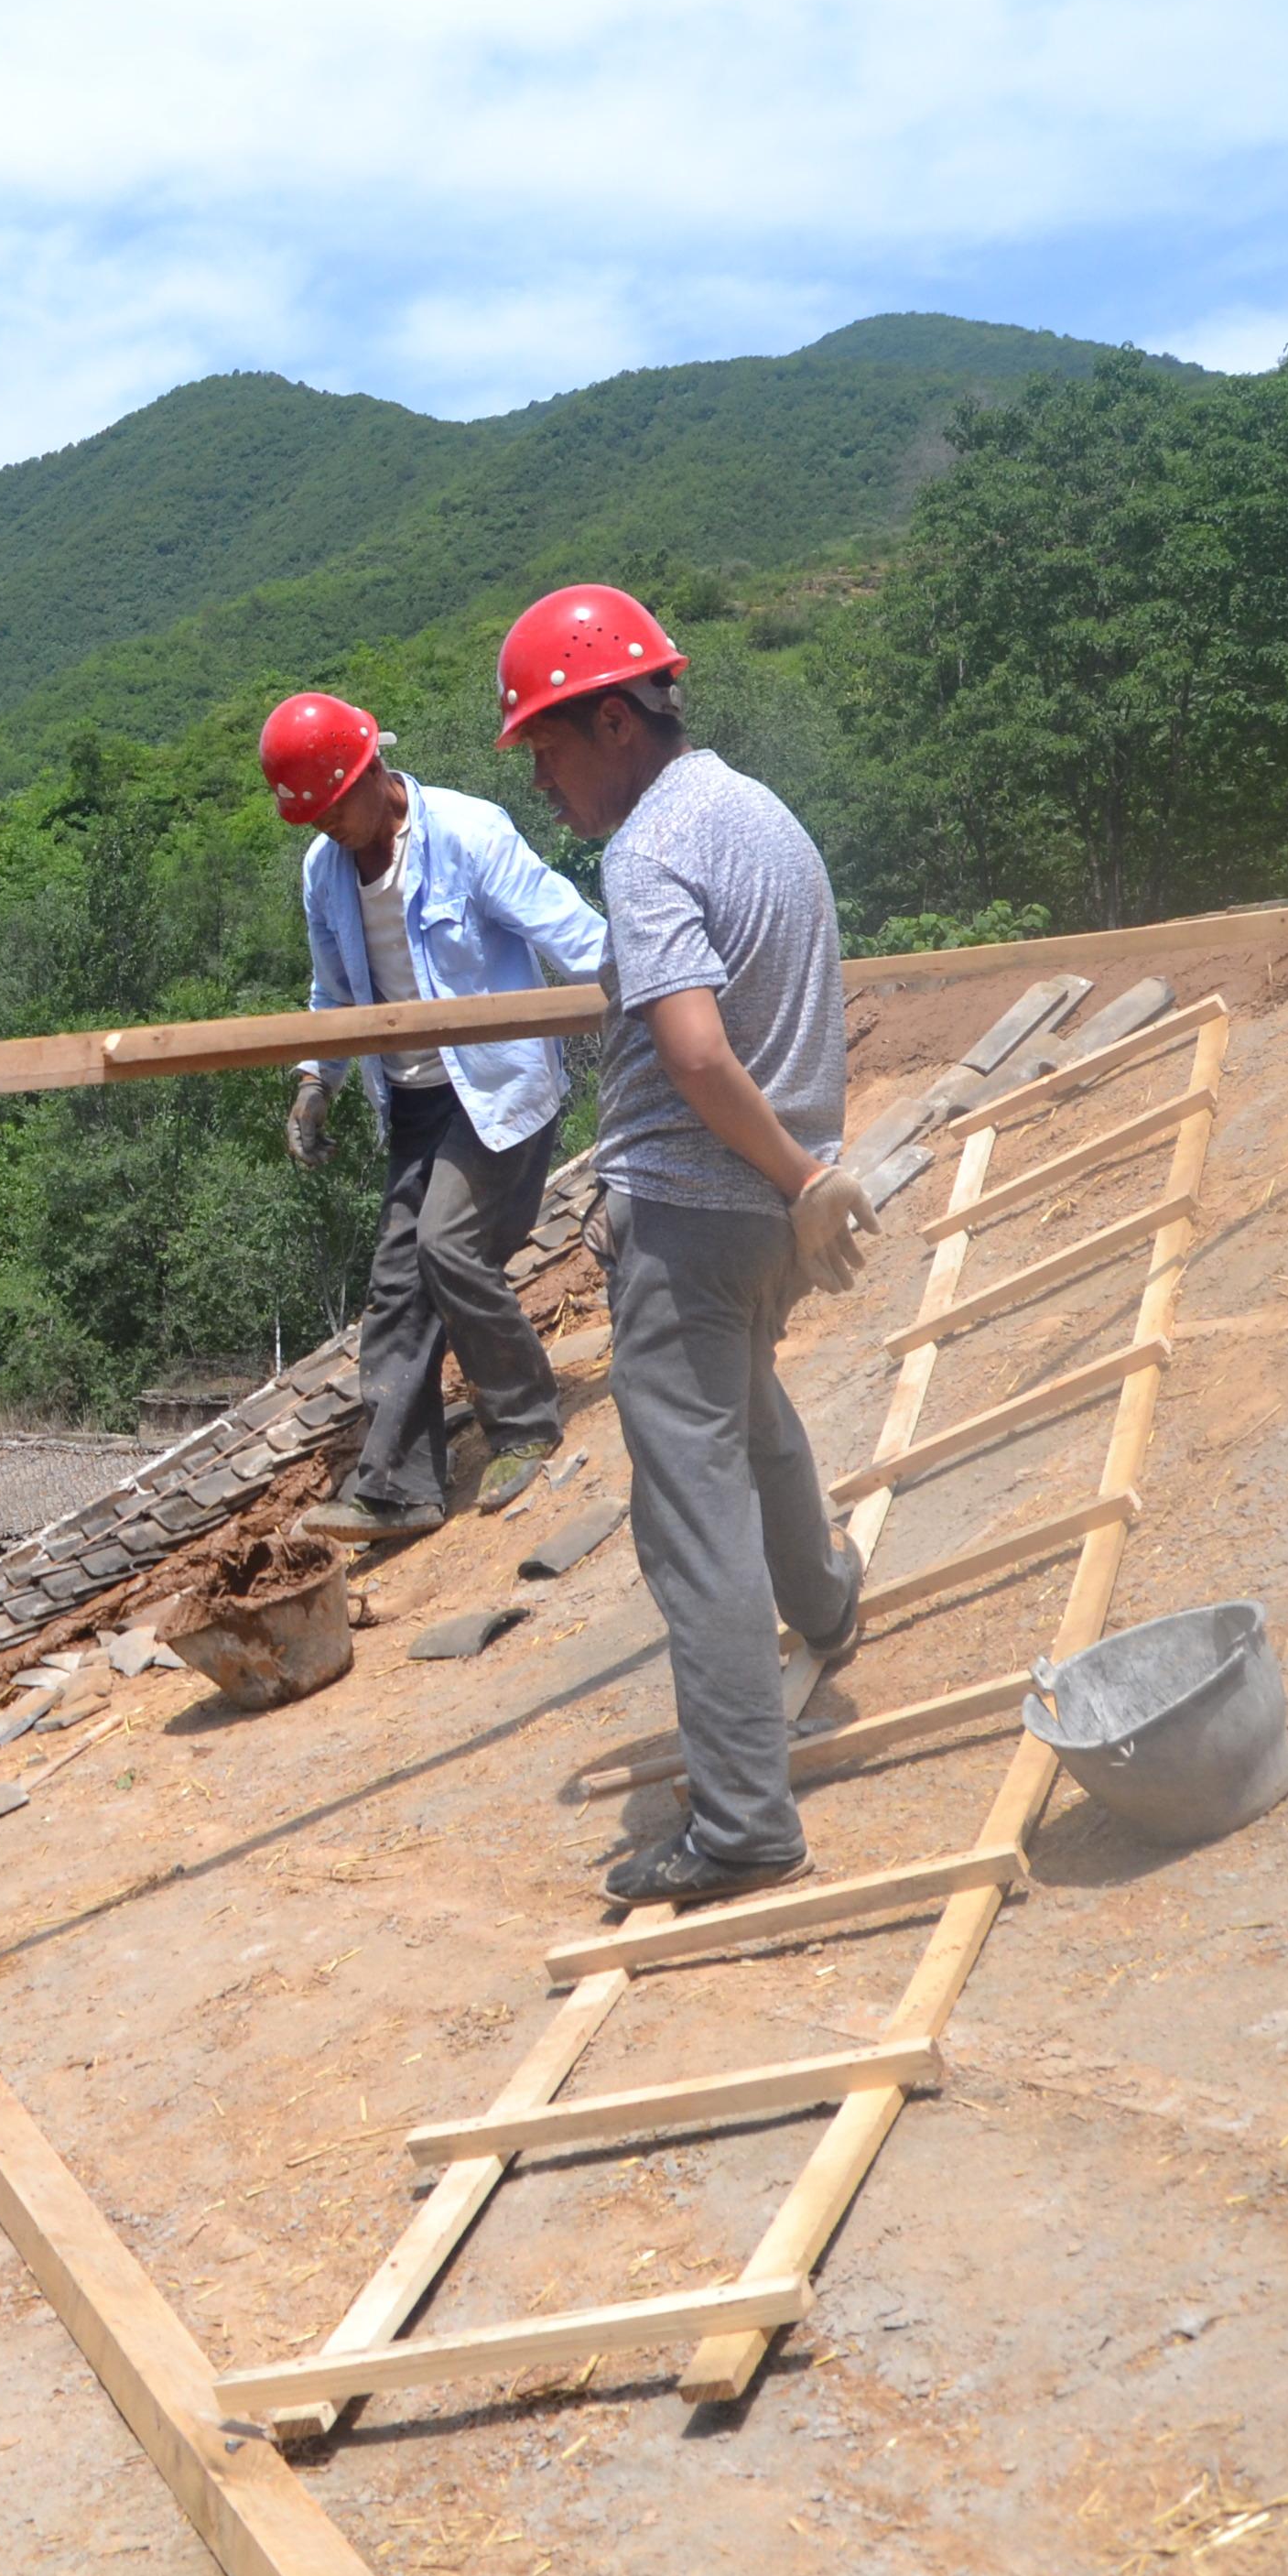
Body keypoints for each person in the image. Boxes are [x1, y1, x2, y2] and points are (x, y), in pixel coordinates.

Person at [498, 585, 880, 1908]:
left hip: (701, 1209)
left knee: (690, 1524)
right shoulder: (756, 810)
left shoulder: (649, 846)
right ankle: (828, 1601)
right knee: (753, 1412)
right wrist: (808, 1182)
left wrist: (792, 1171)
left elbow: (699, 1052)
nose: (543, 781)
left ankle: (741, 1824)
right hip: (773, 1218)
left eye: (547, 747)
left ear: (615, 718)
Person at [263, 690, 611, 1543]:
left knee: (445, 1244)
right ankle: (399, 1490)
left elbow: (568, 929)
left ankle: (525, 1424)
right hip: (412, 1101)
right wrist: (317, 1079)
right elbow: (333, 994)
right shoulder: (324, 872)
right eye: (315, 818)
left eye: (337, 808)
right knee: (395, 1289)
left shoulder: (467, 835)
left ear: (375, 770)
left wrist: (663, 989)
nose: (333, 830)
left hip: (498, 1089)